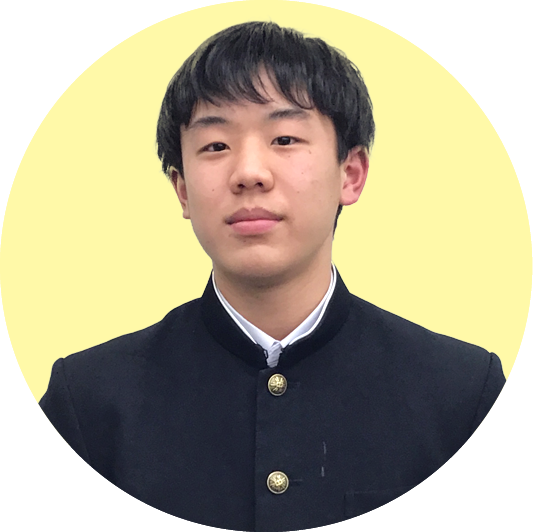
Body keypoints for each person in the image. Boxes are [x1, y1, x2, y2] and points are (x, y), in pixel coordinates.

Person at [39, 21, 506, 530]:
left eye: (284, 138)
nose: (249, 172)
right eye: (215, 146)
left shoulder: (461, 394)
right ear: (182, 190)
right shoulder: (89, 403)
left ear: (350, 174)